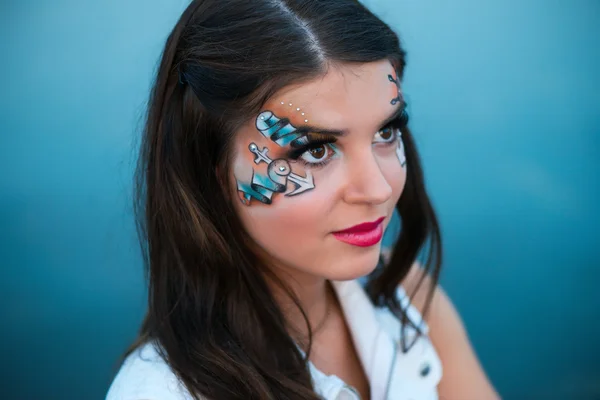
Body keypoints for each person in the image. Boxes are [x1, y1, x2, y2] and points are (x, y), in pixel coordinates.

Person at [106, 0, 500, 399]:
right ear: (210, 171)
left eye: (386, 132)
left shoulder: (405, 294)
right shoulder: (161, 392)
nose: (378, 190)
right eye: (314, 151)